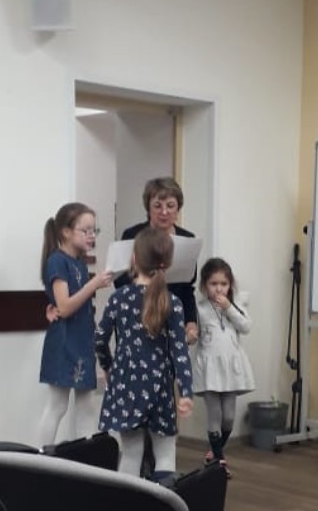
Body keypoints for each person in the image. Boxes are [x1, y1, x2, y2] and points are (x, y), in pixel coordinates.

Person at [95, 227, 194, 478]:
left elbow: (100, 338)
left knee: (130, 453)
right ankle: (163, 501)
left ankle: (128, 503)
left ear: (134, 259)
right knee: (165, 452)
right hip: (160, 385)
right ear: (167, 263)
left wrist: (108, 366)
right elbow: (179, 352)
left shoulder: (118, 298)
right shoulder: (172, 302)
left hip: (125, 384)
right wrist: (186, 392)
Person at [38, 202, 113, 446]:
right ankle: (40, 456)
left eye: (94, 230)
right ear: (66, 232)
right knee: (57, 405)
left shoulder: (80, 263)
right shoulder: (57, 261)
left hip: (82, 340)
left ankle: (83, 459)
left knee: (86, 406)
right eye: (86, 230)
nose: (92, 236)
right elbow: (65, 307)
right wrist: (93, 285)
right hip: (64, 341)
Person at [191, 258, 255, 477]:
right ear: (204, 285)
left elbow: (246, 327)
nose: (219, 289)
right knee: (215, 415)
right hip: (209, 368)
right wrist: (190, 335)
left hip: (231, 369)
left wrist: (229, 308)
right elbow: (193, 333)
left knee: (228, 417)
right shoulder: (199, 308)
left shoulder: (234, 305)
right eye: (213, 284)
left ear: (230, 285)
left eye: (224, 284)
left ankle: (215, 451)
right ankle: (219, 462)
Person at [118, 177, 198, 344]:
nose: (164, 212)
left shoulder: (188, 239)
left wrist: (191, 322)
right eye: (157, 206)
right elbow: (120, 281)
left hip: (173, 316)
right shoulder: (132, 236)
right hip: (137, 315)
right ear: (148, 207)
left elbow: (187, 287)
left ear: (178, 208)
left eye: (170, 206)